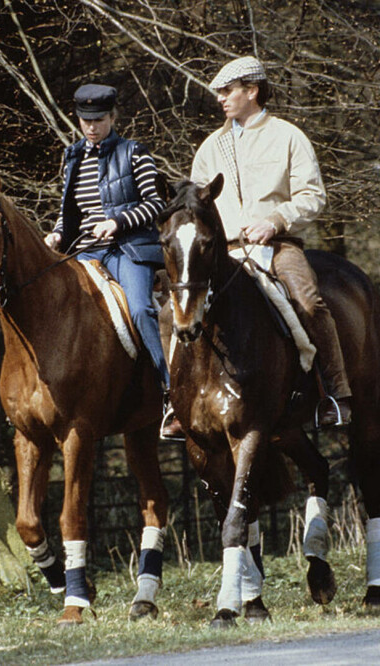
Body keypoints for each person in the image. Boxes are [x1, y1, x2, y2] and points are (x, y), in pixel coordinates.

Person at [190, 56, 352, 427]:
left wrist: (276, 221)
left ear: (253, 90)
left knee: (308, 302)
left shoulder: (288, 136)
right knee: (176, 311)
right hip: (225, 251)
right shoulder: (210, 148)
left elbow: (313, 195)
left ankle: (334, 393)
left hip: (279, 245)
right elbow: (196, 205)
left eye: (227, 91)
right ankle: (178, 400)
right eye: (218, 92)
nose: (220, 99)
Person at [45, 83, 183, 439]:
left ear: (113, 117)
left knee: (139, 308)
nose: (92, 127)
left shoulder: (134, 152)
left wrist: (117, 222)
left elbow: (155, 204)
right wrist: (58, 234)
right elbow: (71, 212)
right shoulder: (71, 156)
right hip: (85, 249)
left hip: (129, 248)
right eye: (85, 120)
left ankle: (171, 394)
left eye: (100, 119)